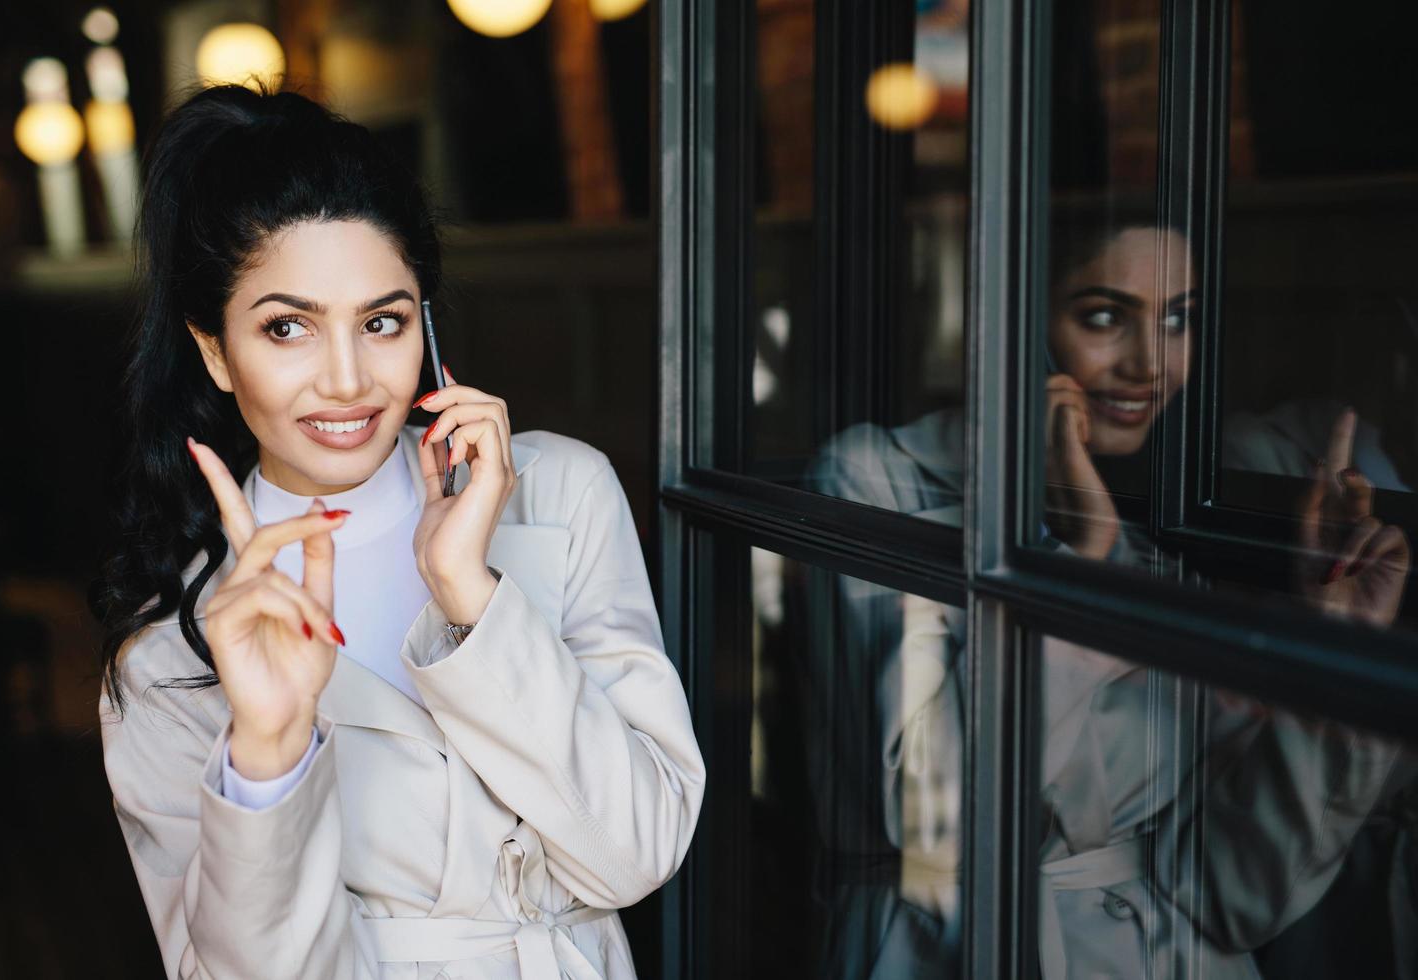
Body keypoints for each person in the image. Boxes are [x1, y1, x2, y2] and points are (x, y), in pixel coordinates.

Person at [88, 83, 705, 980]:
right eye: (288, 328)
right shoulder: (167, 655)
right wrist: (267, 750)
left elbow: (638, 853)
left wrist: (471, 600)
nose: (346, 380)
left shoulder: (556, 495)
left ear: (426, 326)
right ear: (215, 351)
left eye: (382, 321)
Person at [804, 211, 1410, 978]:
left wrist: (1332, 646)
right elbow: (933, 820)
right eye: (1103, 317)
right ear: (1017, 316)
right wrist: (1076, 567)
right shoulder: (879, 479)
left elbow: (1233, 894)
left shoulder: (1181, 523)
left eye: (1178, 320)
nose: (1148, 364)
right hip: (944, 950)